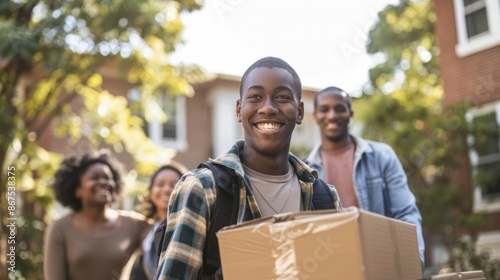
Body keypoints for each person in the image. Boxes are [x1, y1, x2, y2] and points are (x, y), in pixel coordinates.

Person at [155, 57, 342, 279]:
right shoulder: (204, 188)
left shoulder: (324, 199)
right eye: (255, 97)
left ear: (300, 112)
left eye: (282, 97)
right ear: (239, 109)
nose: (268, 107)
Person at [305, 86, 425, 264]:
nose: (331, 115)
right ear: (315, 115)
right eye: (324, 109)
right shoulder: (306, 172)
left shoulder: (381, 156)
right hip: (333, 266)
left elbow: (406, 213)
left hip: (380, 261)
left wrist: (414, 262)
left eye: (340, 108)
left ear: (350, 114)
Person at [43, 151, 151, 280]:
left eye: (108, 178)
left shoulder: (134, 224)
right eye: (95, 178)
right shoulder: (60, 228)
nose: (104, 182)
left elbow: (166, 235)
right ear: (77, 190)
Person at [130, 162, 189, 280]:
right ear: (151, 192)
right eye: (160, 184)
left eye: (174, 184)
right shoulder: (145, 231)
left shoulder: (191, 228)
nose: (166, 189)